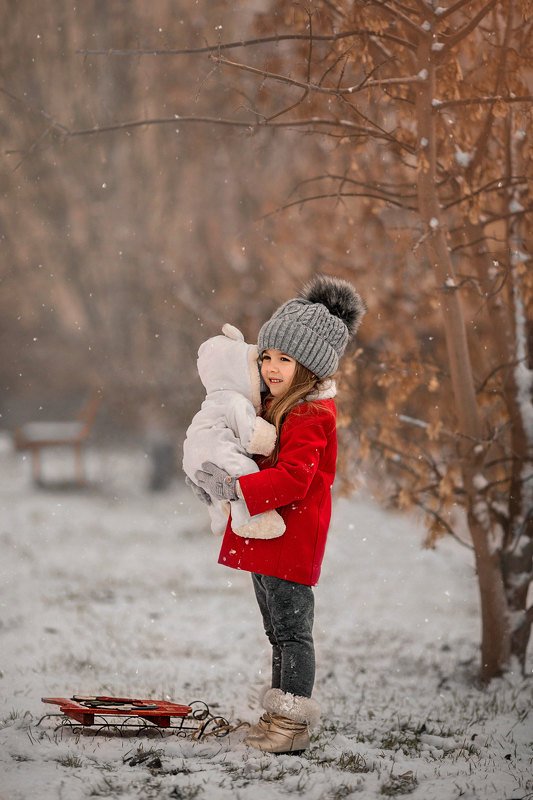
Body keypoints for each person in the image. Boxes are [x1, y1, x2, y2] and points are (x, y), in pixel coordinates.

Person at [194, 274, 365, 755]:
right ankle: (278, 714)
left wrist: (238, 487)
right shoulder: (272, 406)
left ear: (308, 366)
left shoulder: (311, 416)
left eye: (284, 359)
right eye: (267, 356)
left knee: (293, 633)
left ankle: (292, 724)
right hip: (267, 535)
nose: (271, 367)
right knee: (276, 631)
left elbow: (294, 479)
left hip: (291, 536)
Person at [182, 323, 285, 540]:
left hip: (193, 455)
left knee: (215, 496)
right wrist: (270, 439)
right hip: (219, 453)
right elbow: (251, 436)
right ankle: (248, 520)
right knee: (245, 469)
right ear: (242, 375)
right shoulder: (236, 402)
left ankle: (219, 520)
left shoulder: (211, 400)